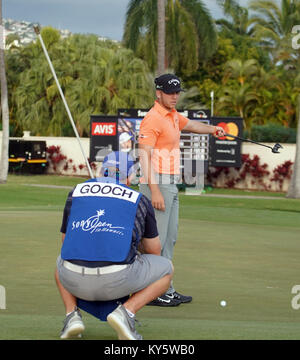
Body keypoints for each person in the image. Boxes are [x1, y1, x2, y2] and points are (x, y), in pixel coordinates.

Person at [55, 150, 174, 340]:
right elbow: (154, 252)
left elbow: (65, 241)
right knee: (166, 269)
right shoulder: (139, 200)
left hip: (72, 278)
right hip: (117, 281)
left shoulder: (75, 192)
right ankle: (126, 313)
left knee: (61, 259)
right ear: (129, 177)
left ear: (102, 172)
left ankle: (72, 316)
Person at [138, 73, 225, 306]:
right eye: (170, 92)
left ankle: (165, 287)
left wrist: (212, 129)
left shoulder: (173, 116)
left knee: (170, 239)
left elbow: (193, 125)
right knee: (155, 242)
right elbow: (143, 156)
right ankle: (151, 291)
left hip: (171, 184)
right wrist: (154, 190)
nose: (174, 96)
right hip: (156, 183)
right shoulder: (153, 118)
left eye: (177, 92)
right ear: (159, 93)